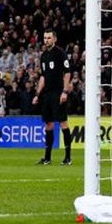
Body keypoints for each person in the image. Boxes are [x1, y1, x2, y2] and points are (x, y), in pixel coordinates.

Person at [32, 29, 72, 165]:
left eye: (49, 38)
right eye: (44, 38)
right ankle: (47, 157)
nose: (46, 40)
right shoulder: (43, 56)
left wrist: (65, 91)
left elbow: (67, 73)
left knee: (63, 123)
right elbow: (43, 77)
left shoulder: (60, 53)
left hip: (58, 92)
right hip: (47, 94)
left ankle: (68, 157)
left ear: (54, 39)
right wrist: (37, 94)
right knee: (48, 124)